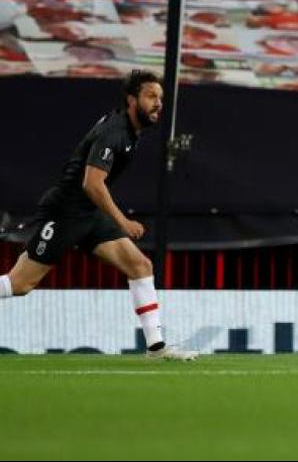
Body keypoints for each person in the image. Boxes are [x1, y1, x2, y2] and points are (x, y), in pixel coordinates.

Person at [0, 71, 197, 360]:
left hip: (88, 213)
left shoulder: (130, 131)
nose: (158, 104)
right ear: (132, 100)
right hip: (65, 212)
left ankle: (156, 347)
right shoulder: (114, 133)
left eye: (161, 98)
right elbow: (92, 184)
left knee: (140, 265)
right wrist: (123, 221)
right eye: (151, 97)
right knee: (20, 285)